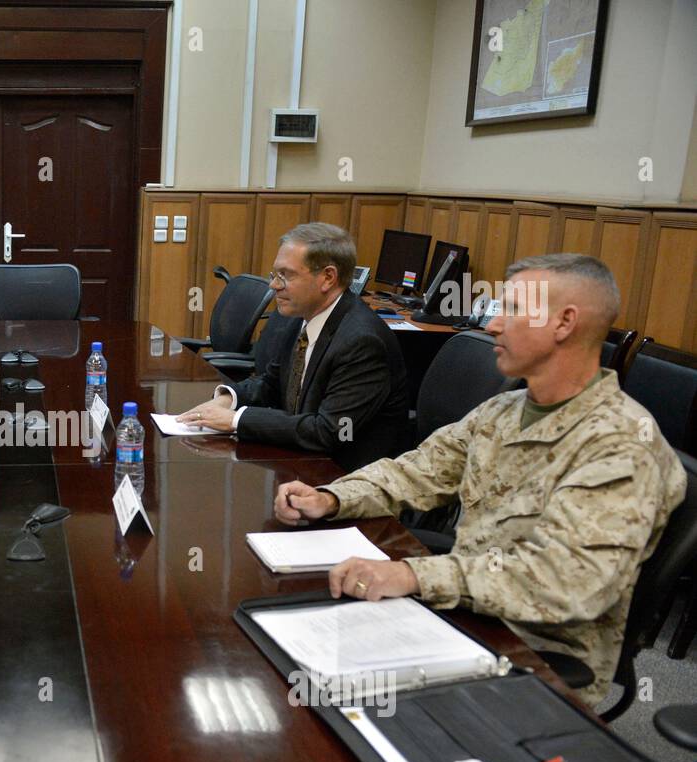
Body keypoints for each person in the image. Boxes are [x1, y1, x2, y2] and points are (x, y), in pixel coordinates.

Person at [275, 254, 687, 705]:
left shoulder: (622, 446)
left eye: (511, 310)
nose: (492, 326)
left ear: (565, 322)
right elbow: (415, 471)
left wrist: (413, 575)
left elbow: (564, 583)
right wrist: (330, 498)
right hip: (459, 619)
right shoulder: (504, 411)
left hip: (534, 660)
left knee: (322, 707)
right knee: (288, 658)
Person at [177, 222, 411, 470]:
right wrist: (228, 398)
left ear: (327, 278)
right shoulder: (301, 318)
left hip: (345, 478)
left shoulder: (362, 342)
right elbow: (271, 384)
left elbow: (328, 431)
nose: (274, 285)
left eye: (286, 275)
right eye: (274, 275)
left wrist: (236, 419)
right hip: (301, 462)